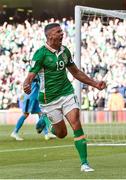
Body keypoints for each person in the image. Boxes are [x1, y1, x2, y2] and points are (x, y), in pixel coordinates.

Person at [23, 23, 106, 172]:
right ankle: (46, 122)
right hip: (49, 100)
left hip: (66, 93)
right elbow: (30, 75)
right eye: (58, 32)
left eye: (62, 31)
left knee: (76, 123)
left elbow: (76, 72)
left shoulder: (65, 51)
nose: (62, 34)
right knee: (61, 134)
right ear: (50, 36)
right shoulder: (40, 54)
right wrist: (26, 84)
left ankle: (84, 163)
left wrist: (95, 83)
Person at [11, 75, 56, 141]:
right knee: (25, 114)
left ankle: (46, 134)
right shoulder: (35, 72)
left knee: (41, 114)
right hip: (30, 97)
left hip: (36, 97)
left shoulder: (38, 72)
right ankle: (15, 132)